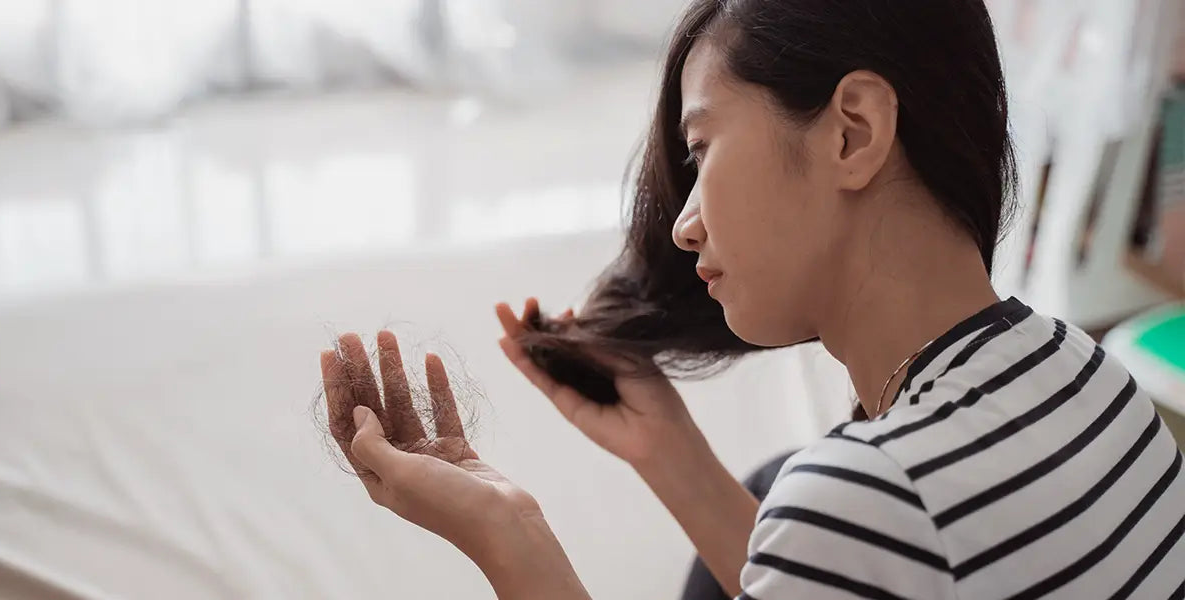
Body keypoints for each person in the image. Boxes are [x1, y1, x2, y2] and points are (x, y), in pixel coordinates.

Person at [318, 0, 1185, 597]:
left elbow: (859, 540)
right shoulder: (1092, 379)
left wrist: (509, 536)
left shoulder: (873, 495)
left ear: (853, 132)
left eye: (701, 149)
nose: (684, 225)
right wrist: (669, 450)